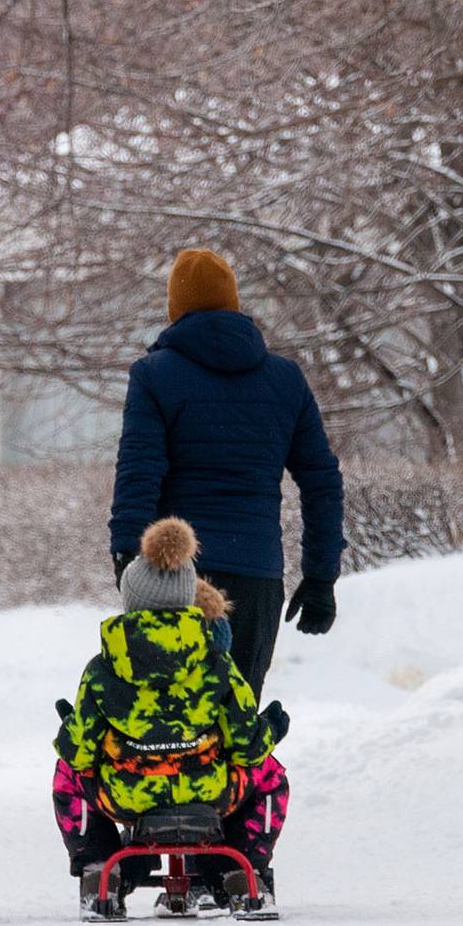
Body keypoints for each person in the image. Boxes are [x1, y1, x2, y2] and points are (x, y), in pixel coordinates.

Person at [109, 248, 345, 701]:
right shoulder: (285, 379)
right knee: (238, 726)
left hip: (174, 578)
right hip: (256, 576)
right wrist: (320, 576)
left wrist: (125, 557)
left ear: (175, 308)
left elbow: (139, 472)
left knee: (168, 728)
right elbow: (321, 481)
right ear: (234, 303)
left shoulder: (154, 375)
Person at [53, 518, 289, 921]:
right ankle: (241, 868)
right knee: (269, 775)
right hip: (211, 793)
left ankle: (100, 872)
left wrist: (68, 727)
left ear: (131, 601)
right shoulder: (217, 664)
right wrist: (271, 728)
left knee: (66, 774)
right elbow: (247, 745)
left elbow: (79, 752)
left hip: (127, 795)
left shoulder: (103, 669)